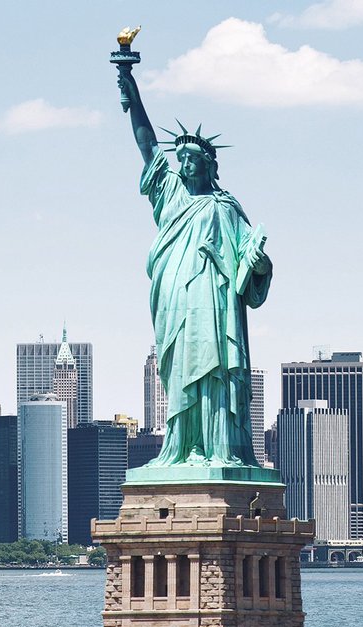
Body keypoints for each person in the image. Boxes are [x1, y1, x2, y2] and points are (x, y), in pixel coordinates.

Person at [117, 71, 271, 467]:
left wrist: (259, 263)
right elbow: (147, 143)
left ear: (208, 165)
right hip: (176, 299)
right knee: (181, 367)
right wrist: (129, 85)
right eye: (180, 158)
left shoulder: (225, 207)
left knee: (215, 370)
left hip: (215, 303)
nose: (183, 165)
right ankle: (183, 448)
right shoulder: (169, 194)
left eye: (192, 159)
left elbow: (250, 262)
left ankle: (217, 448)